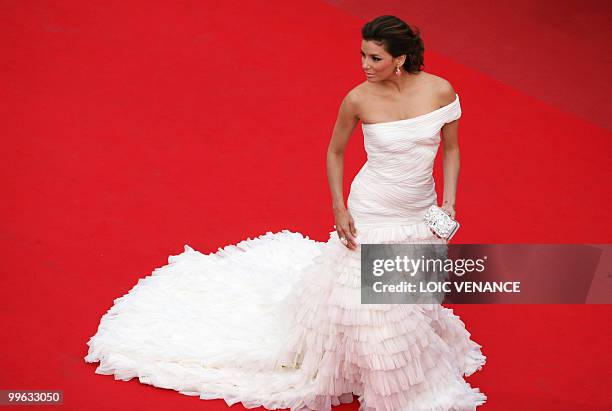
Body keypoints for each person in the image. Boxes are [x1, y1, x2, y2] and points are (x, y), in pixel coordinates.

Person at [85, 15, 486, 411]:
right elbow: (335, 152)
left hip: (419, 208)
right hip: (372, 208)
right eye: (362, 55)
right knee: (370, 303)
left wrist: (448, 202)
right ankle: (400, 393)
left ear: (400, 59)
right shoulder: (358, 98)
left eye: (375, 58)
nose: (365, 65)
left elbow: (450, 149)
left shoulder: (440, 92)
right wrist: (339, 206)